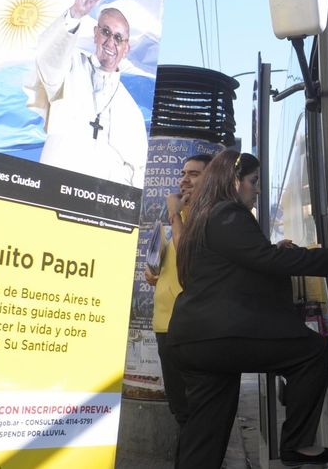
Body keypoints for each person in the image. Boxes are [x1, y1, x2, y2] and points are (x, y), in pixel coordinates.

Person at [166, 150, 328, 469]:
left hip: (191, 339)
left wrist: (270, 252)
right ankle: (296, 444)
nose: (257, 189)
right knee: (312, 353)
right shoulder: (228, 213)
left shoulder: (204, 217)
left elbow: (239, 264)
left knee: (204, 434)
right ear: (234, 181)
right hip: (218, 337)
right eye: (254, 181)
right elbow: (267, 262)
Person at [29, 0, 148, 186]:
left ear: (126, 48)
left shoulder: (131, 110)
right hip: (53, 187)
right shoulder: (70, 65)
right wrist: (75, 13)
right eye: (106, 32)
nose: (110, 42)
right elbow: (47, 58)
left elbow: (137, 173)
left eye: (118, 38)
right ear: (95, 33)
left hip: (98, 206)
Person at [144, 153, 210, 444]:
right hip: (164, 325)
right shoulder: (180, 217)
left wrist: (173, 215)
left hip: (190, 327)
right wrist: (154, 272)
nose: (184, 180)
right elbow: (171, 265)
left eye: (194, 174)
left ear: (212, 178)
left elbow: (189, 257)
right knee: (180, 409)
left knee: (196, 410)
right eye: (183, 173)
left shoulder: (208, 215)